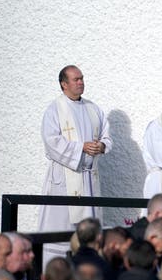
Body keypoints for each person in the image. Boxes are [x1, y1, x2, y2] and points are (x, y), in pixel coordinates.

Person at [39, 65, 112, 264]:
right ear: (64, 84)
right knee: (62, 226)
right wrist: (81, 147)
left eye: (82, 78)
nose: (81, 82)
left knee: (89, 226)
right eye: (76, 79)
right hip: (65, 178)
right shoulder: (55, 109)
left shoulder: (93, 108)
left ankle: (88, 265)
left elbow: (106, 135)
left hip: (89, 179)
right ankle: (56, 269)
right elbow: (51, 142)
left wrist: (102, 146)